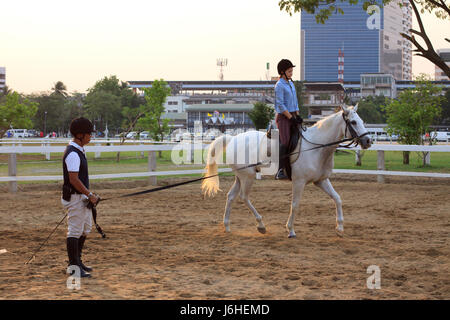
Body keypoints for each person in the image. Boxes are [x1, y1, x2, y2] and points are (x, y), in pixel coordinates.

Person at [61, 117, 99, 278]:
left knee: (85, 229)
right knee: (75, 231)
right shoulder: (73, 154)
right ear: (80, 135)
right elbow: (73, 179)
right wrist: (89, 194)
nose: (91, 137)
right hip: (76, 198)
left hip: (81, 197)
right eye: (89, 134)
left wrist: (89, 195)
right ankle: (74, 267)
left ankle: (77, 261)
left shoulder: (78, 150)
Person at [274, 59, 302, 180]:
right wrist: (291, 118)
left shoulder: (291, 84)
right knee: (285, 142)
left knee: (301, 138)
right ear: (282, 72)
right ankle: (280, 170)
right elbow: (280, 105)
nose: (291, 73)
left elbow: (294, 102)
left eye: (291, 71)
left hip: (293, 115)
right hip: (284, 118)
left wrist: (297, 115)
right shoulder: (279, 85)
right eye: (289, 71)